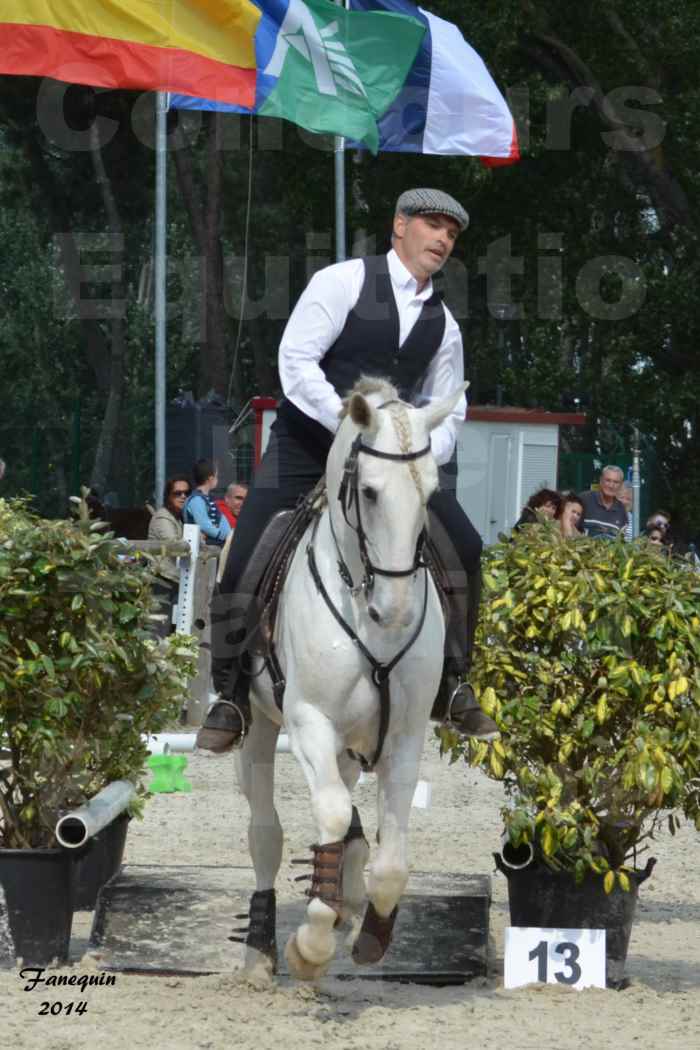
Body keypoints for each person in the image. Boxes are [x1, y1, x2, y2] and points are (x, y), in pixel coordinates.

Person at [199, 187, 497, 753]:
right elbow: (296, 360)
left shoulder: (445, 325)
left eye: (451, 234)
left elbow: (450, 403)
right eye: (433, 226)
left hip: (390, 463)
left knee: (467, 544)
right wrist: (345, 422)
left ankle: (455, 681)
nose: (442, 239)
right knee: (245, 554)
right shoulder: (343, 282)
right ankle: (230, 693)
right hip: (308, 446)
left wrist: (427, 452)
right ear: (399, 226)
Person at [147, 476, 190, 637]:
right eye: (177, 493)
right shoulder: (162, 518)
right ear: (168, 496)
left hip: (174, 580)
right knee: (158, 631)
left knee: (171, 631)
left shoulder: (177, 517)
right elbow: (175, 546)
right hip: (161, 581)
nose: (183, 496)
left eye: (186, 493)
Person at [183, 459, 231, 547]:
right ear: (211, 479)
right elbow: (204, 524)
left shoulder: (206, 498)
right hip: (204, 546)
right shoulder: (196, 500)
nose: (217, 479)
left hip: (217, 542)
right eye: (217, 476)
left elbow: (220, 518)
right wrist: (221, 534)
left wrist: (229, 535)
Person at [578, 465, 628, 539]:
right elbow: (570, 525)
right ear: (601, 481)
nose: (611, 485)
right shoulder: (584, 499)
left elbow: (620, 541)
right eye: (608, 480)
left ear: (620, 485)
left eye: (616, 482)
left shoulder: (621, 510)